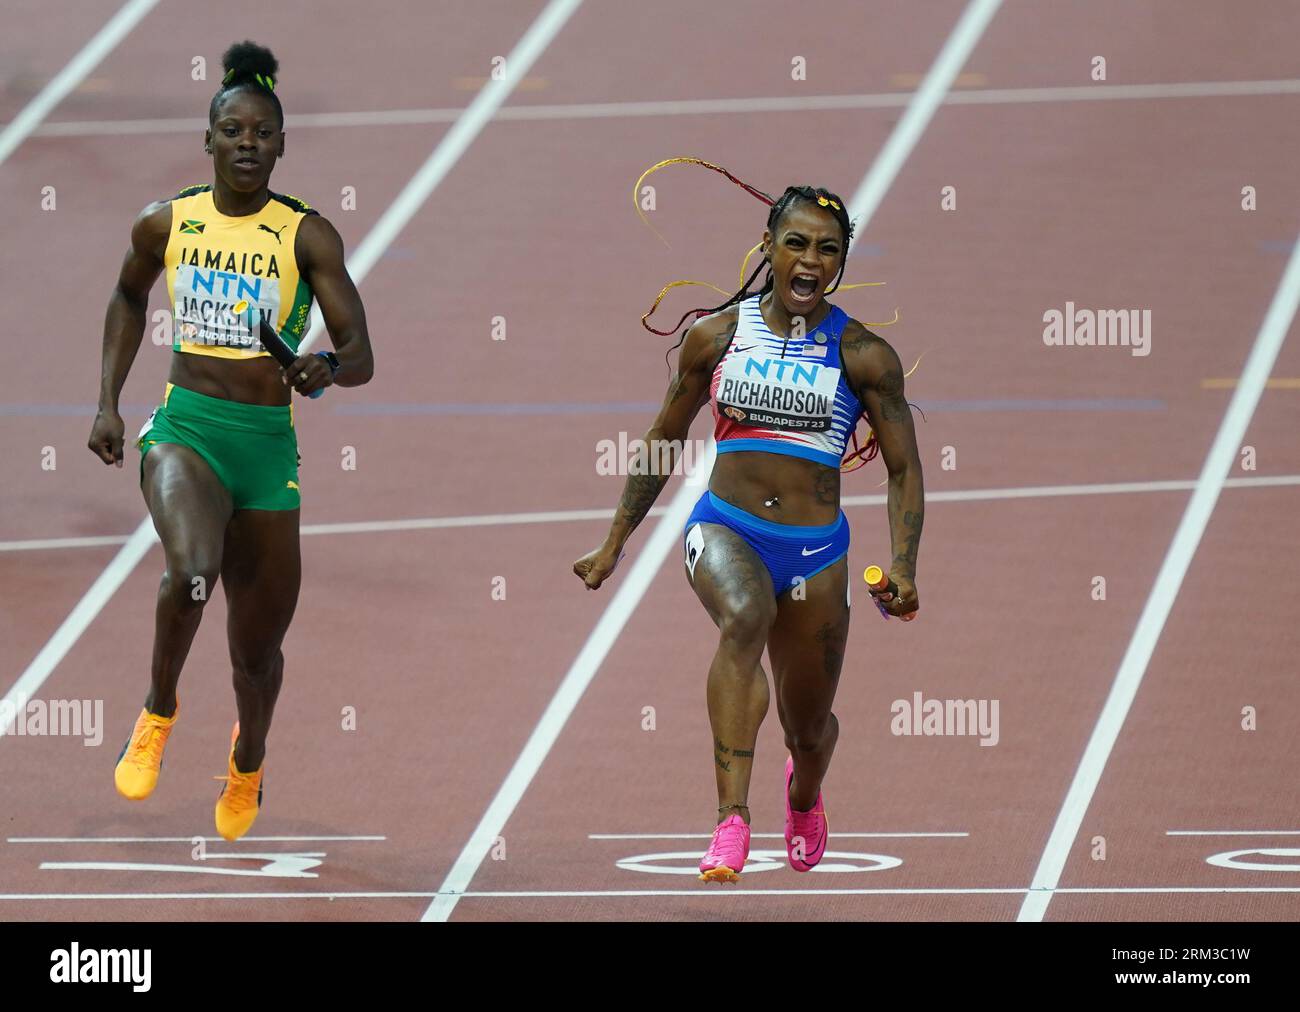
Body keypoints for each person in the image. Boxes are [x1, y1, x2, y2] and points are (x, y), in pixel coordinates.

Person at [574, 164, 923, 882]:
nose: (810, 261)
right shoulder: (716, 338)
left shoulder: (864, 358)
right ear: (768, 245)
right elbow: (664, 438)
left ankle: (804, 792)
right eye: (796, 243)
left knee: (811, 728)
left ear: (841, 263)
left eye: (828, 250)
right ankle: (731, 820)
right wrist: (614, 542)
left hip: (818, 554)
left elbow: (903, 469)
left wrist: (906, 564)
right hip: (726, 527)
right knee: (744, 615)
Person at [87, 41, 374, 841]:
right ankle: (156, 711)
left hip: (266, 451)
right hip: (187, 429)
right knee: (190, 572)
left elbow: (361, 355)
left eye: (261, 133)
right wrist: (108, 404)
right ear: (207, 140)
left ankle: (248, 761)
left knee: (257, 655)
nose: (247, 143)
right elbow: (125, 293)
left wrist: (323, 369)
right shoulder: (167, 222)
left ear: (281, 146)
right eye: (232, 130)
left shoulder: (306, 236)